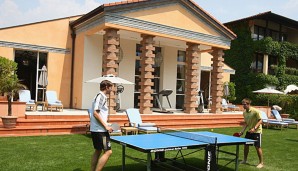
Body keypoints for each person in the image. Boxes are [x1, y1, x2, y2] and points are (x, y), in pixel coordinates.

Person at [90, 80, 114, 171]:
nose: (111, 89)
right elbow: (96, 113)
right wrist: (106, 126)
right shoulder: (101, 97)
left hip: (96, 129)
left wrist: (107, 124)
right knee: (108, 151)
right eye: (111, 87)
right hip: (100, 131)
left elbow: (99, 114)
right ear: (107, 87)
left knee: (98, 150)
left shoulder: (98, 96)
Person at [238, 98, 264, 169]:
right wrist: (242, 131)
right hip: (249, 131)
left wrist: (254, 128)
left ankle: (261, 163)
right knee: (246, 146)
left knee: (257, 147)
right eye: (242, 104)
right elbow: (246, 123)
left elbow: (261, 120)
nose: (243, 106)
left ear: (248, 104)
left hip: (257, 131)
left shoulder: (255, 111)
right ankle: (245, 160)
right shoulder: (244, 113)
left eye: (244, 104)